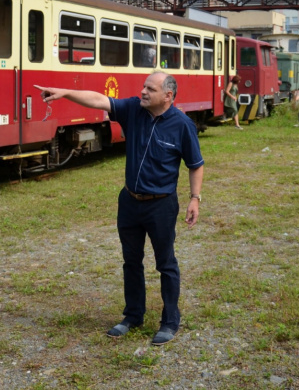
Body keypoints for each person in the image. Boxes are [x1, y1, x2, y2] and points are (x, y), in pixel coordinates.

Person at [37, 71, 204, 346]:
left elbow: (195, 164)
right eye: (143, 86)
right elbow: (99, 100)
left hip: (161, 205)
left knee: (166, 264)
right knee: (131, 262)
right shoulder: (132, 110)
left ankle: (170, 321)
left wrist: (195, 198)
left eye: (150, 88)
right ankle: (133, 316)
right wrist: (65, 92)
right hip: (129, 202)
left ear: (168, 96)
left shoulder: (182, 125)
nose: (144, 91)